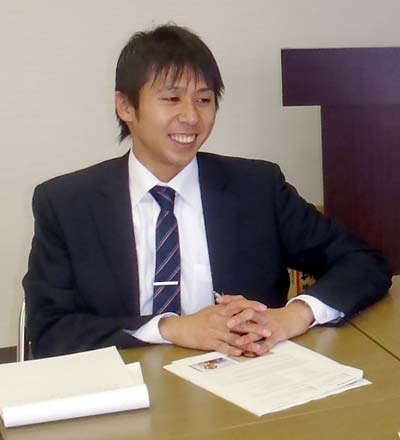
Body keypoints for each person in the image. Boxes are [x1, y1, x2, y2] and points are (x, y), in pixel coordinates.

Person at [23, 24, 392, 359]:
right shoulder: (67, 203)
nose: (191, 117)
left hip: (248, 383)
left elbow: (363, 263)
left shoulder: (256, 187)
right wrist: (171, 328)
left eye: (204, 99)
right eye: (171, 99)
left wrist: (294, 315)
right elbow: (50, 331)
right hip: (124, 388)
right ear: (126, 107)